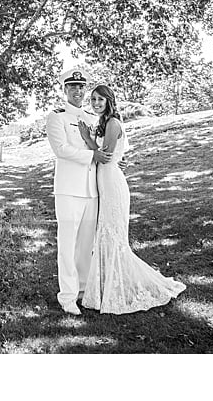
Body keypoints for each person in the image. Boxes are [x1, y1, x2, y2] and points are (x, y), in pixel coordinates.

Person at [77, 84, 186, 314]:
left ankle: (120, 287)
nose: (96, 103)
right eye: (93, 99)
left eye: (100, 100)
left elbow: (105, 158)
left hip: (112, 184)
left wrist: (86, 138)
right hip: (104, 183)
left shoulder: (113, 123)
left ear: (109, 101)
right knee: (106, 235)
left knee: (113, 235)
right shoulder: (103, 123)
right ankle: (108, 284)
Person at [45, 68, 112, 315]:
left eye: (81, 86)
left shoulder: (92, 117)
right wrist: (91, 155)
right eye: (72, 86)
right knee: (67, 244)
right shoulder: (57, 117)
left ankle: (83, 291)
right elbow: (61, 149)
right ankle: (68, 297)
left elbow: (102, 147)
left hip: (91, 190)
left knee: (86, 244)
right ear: (64, 90)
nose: (77, 91)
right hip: (68, 190)